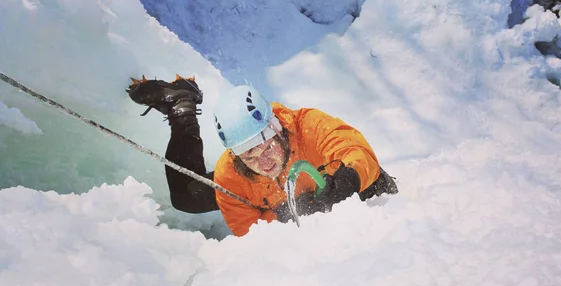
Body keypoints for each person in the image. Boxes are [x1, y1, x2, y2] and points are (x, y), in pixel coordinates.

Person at [127, 76, 398, 236]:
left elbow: (356, 151)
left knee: (376, 188)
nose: (265, 162)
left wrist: (349, 179)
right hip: (264, 196)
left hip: (347, 194)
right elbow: (248, 234)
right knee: (186, 197)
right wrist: (280, 218)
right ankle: (181, 108)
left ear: (277, 128)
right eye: (250, 156)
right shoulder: (230, 174)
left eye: (268, 147)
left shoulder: (309, 126)